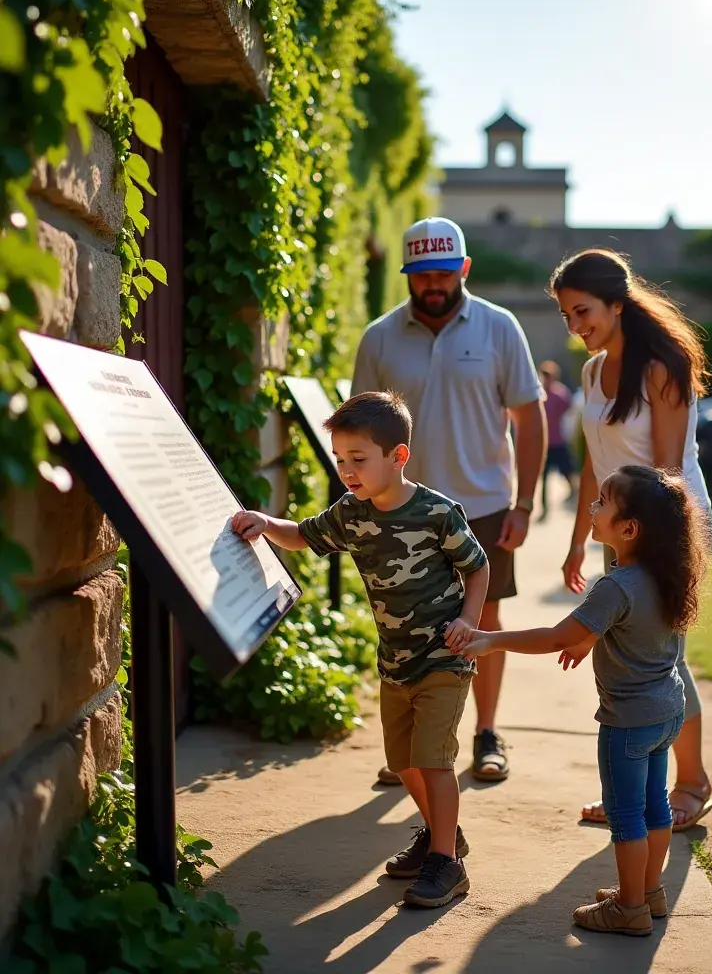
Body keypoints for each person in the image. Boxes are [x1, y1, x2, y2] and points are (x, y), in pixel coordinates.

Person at [230, 391, 490, 910]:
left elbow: (478, 566)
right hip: (395, 663)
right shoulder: (351, 514)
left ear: (398, 457)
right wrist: (265, 523)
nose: (347, 470)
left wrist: (468, 621)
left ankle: (447, 864)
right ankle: (443, 835)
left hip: (443, 657)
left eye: (358, 459)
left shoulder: (437, 512)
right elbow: (304, 535)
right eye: (340, 459)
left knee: (434, 761)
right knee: (405, 763)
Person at [446, 465, 712, 937]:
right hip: (667, 711)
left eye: (602, 503)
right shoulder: (667, 574)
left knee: (627, 816)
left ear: (628, 529)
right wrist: (590, 639)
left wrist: (490, 640)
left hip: (628, 722)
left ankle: (628, 907)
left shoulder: (615, 585)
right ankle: (649, 892)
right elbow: (629, 629)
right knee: (655, 808)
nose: (592, 507)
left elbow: (555, 637)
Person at [351, 216, 545, 785]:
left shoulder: (499, 328)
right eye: (420, 275)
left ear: (462, 269)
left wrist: (525, 502)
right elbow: (359, 427)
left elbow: (529, 418)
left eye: (442, 272)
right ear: (407, 275)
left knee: (483, 619)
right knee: (402, 625)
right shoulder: (380, 337)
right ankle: (410, 751)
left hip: (483, 503)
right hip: (401, 508)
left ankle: (487, 735)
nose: (432, 284)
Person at [550, 247, 712, 833]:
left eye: (583, 312)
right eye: (567, 316)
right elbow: (597, 468)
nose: (575, 327)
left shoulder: (663, 366)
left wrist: (647, 553)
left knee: (663, 661)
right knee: (622, 662)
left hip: (670, 528)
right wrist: (578, 542)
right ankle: (633, 799)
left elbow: (668, 477)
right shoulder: (594, 372)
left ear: (618, 304)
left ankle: (691, 784)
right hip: (617, 530)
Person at [537, 360, 578, 519]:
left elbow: (570, 412)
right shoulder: (539, 395)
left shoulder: (561, 394)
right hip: (544, 443)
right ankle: (544, 508)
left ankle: (574, 495)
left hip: (558, 441)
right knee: (544, 477)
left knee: (568, 471)